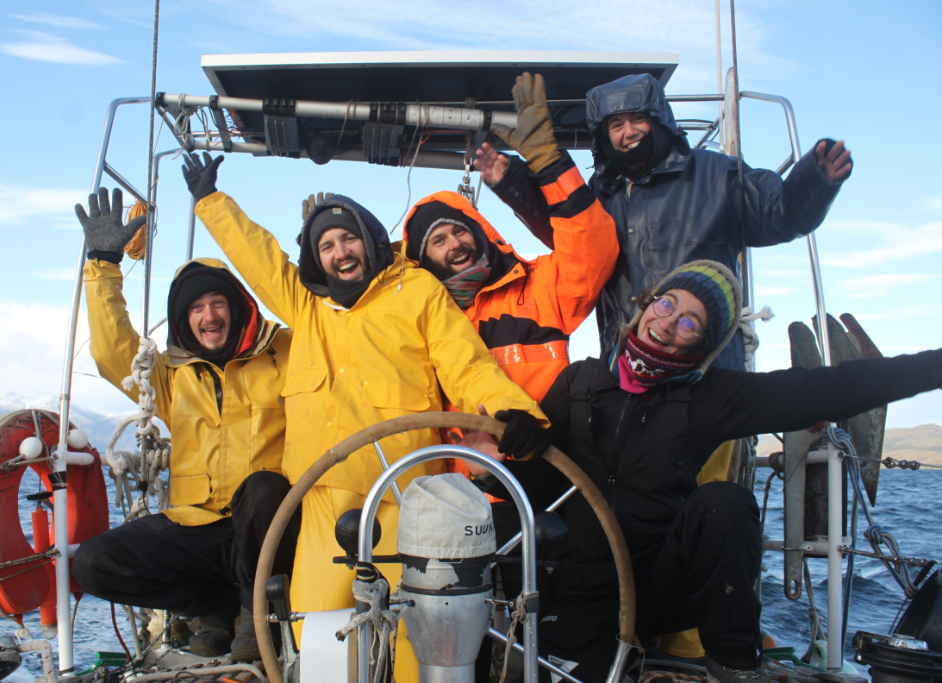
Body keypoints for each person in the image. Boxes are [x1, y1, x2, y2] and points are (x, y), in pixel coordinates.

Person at [471, 260, 942, 683]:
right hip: (580, 589)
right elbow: (545, 488)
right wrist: (496, 467)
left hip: (659, 589)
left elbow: (828, 388)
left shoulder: (708, 397)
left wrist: (932, 369)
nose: (668, 323)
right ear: (648, 303)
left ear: (704, 344)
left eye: (689, 322)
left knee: (724, 504)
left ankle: (736, 666)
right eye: (667, 303)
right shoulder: (579, 382)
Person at [183, 154, 546, 679]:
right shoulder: (305, 303)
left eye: (348, 238)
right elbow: (258, 256)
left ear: (370, 239)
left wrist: (516, 413)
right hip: (323, 494)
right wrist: (211, 203)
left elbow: (467, 365)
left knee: (414, 637)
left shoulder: (417, 291)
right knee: (318, 638)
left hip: (408, 495)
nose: (340, 252)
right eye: (326, 246)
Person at [488, 73, 853, 372]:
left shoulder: (717, 173)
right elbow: (571, 238)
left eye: (638, 119)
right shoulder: (600, 191)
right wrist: (514, 184)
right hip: (624, 368)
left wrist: (814, 181)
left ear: (660, 119)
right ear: (603, 135)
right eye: (616, 124)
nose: (629, 132)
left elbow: (781, 217)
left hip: (706, 369)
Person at [70, 188, 298, 662]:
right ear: (183, 318)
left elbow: (325, 329)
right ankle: (215, 606)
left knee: (263, 488)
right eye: (196, 308)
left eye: (217, 303)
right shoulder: (170, 376)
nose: (208, 316)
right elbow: (112, 353)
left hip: (267, 525)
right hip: (196, 525)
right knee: (93, 563)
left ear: (237, 306)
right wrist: (103, 264)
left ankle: (256, 618)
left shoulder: (287, 352)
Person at [403, 72, 619, 403]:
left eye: (459, 231)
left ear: (478, 233)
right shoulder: (419, 315)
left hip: (544, 436)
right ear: (424, 259)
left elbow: (592, 249)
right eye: (439, 241)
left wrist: (549, 163)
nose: (455, 244)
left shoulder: (537, 288)